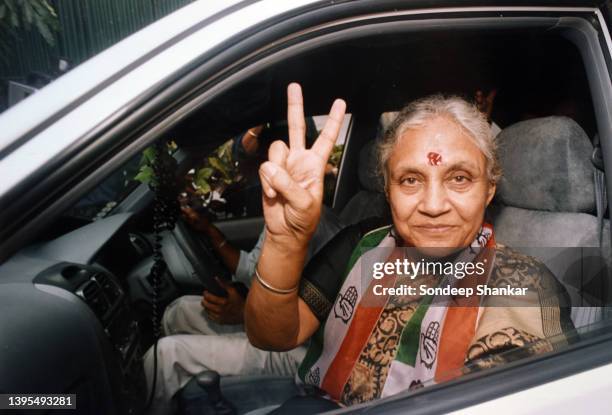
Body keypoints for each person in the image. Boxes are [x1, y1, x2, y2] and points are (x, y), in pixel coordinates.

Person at [245, 83, 574, 411]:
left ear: (489, 189)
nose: (433, 205)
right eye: (410, 180)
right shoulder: (362, 243)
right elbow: (274, 337)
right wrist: (285, 241)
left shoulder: (521, 283)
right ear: (387, 190)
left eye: (459, 178)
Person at [143, 191, 342, 415]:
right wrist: (210, 231)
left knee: (165, 355)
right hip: (278, 324)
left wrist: (245, 313)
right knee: (178, 312)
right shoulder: (285, 212)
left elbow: (313, 326)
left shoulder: (310, 222)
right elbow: (252, 269)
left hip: (304, 351)